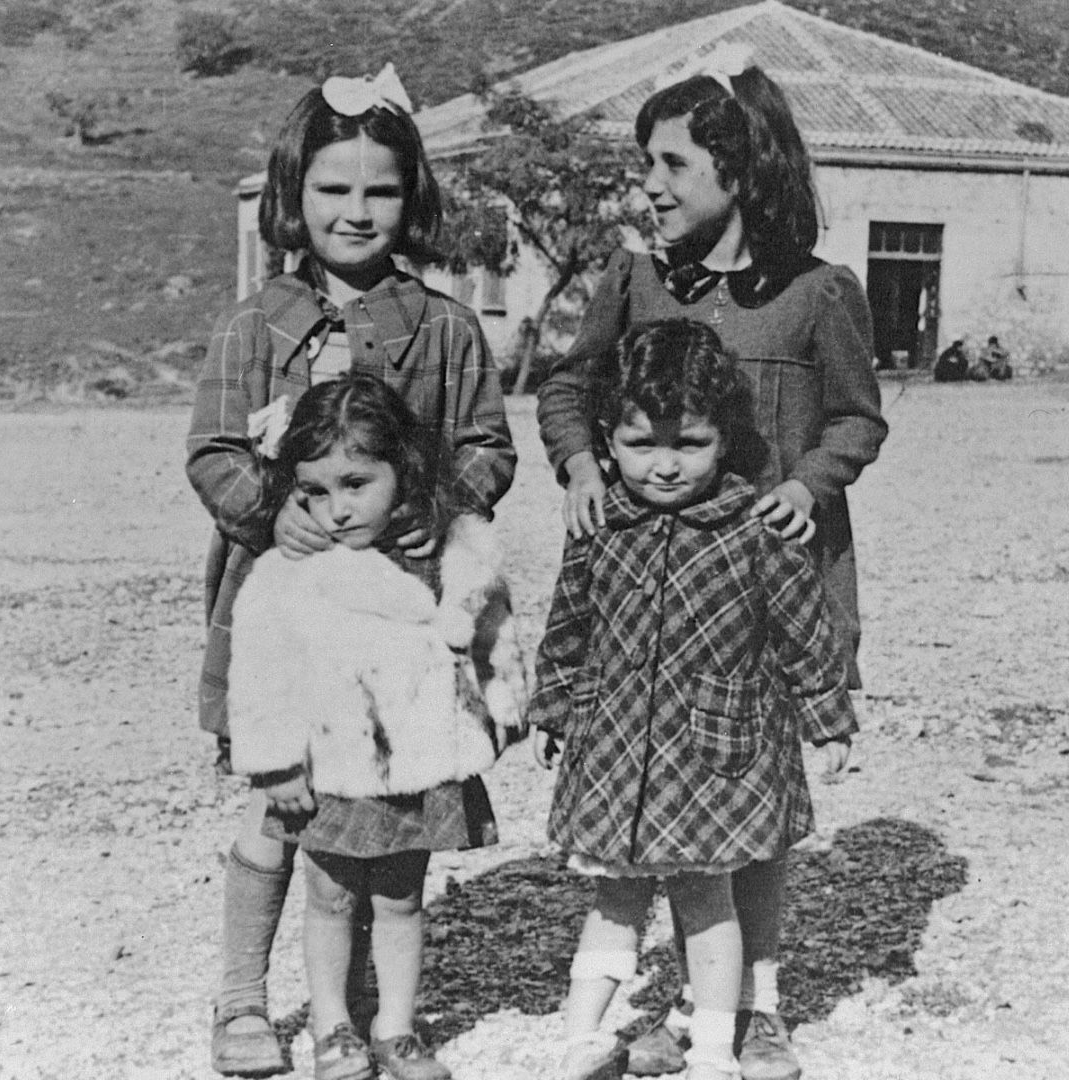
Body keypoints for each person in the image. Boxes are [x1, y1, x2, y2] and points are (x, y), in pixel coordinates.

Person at [534, 50, 887, 1080]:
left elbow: (861, 419)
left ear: (738, 174)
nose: (649, 184)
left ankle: (752, 1009)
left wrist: (810, 483)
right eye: (645, 161)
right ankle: (656, 1002)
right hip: (654, 582)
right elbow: (569, 389)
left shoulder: (821, 293)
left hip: (777, 576)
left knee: (757, 795)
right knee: (654, 774)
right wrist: (574, 469)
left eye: (672, 164)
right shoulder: (633, 278)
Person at [185, 64, 516, 1078]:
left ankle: (368, 1003)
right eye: (333, 190)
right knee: (280, 794)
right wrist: (270, 510)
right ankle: (245, 998)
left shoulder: (446, 327)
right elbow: (211, 452)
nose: (357, 212)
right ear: (294, 198)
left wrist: (433, 505)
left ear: (410, 198)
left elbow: (488, 448)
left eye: (380, 190)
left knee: (382, 786)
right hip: (282, 603)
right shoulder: (255, 324)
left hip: (396, 614)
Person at [531, 319, 857, 1080]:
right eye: (643, 445)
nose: (666, 468)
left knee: (710, 899)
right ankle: (580, 1042)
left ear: (726, 438)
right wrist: (552, 706)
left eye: (691, 444)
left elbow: (805, 630)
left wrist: (828, 715)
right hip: (615, 746)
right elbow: (568, 623)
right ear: (608, 440)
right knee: (612, 896)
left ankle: (714, 1049)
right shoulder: (601, 523)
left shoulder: (756, 528)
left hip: (718, 752)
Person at [227, 372, 525, 1080]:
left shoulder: (451, 552)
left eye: (356, 483)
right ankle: (333, 1026)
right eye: (315, 491)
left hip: (419, 758)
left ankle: (395, 1026)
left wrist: (503, 700)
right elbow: (261, 669)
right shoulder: (288, 571)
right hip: (331, 765)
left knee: (400, 897)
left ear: (405, 469)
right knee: (328, 895)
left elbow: (494, 628)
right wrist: (275, 764)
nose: (335, 510)